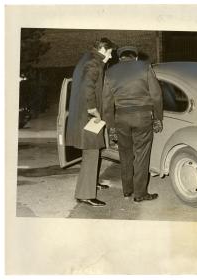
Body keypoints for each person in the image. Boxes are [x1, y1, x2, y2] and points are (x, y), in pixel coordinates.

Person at [102, 46, 163, 202]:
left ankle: (127, 190)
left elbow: (107, 103)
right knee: (141, 156)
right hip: (142, 117)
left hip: (121, 118)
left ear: (120, 57)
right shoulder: (145, 67)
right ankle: (140, 193)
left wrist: (111, 127)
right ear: (135, 57)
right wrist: (158, 118)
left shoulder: (110, 72)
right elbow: (156, 95)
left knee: (125, 154)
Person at [65, 37, 116, 207]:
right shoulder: (94, 64)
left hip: (83, 118)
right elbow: (88, 89)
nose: (110, 57)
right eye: (109, 53)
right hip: (88, 118)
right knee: (92, 153)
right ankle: (85, 194)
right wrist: (93, 110)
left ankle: (90, 184)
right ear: (103, 49)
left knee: (93, 153)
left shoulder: (87, 59)